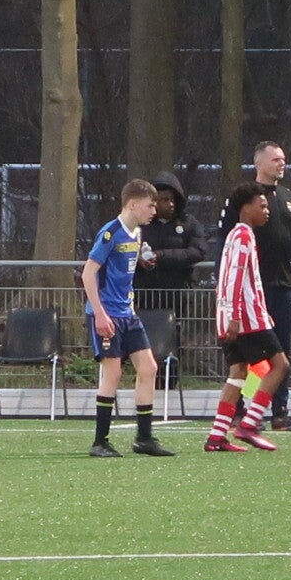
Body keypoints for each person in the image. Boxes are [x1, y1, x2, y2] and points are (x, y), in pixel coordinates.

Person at [217, 141, 291, 431]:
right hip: (249, 292)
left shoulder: (287, 197)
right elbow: (224, 245)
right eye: (275, 159)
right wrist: (221, 283)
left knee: (281, 350)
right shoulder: (243, 199)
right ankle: (243, 412)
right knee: (249, 355)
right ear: (259, 163)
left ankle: (279, 411)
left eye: (283, 159)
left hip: (280, 286)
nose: (281, 163)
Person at [82, 179, 175, 458]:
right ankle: (100, 441)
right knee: (113, 373)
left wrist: (143, 262)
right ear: (133, 205)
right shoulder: (111, 233)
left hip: (127, 312)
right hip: (107, 313)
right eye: (149, 206)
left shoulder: (136, 233)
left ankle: (144, 438)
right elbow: (88, 274)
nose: (154, 211)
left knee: (148, 367)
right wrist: (100, 314)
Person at [207, 182, 289, 453]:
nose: (267, 211)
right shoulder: (244, 235)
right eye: (262, 206)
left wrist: (227, 315)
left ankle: (217, 436)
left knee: (238, 372)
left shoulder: (233, 235)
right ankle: (250, 424)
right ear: (245, 208)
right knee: (280, 365)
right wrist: (236, 315)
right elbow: (236, 277)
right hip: (246, 319)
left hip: (230, 317)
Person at [135, 171, 212, 384]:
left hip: (177, 294)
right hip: (147, 294)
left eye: (171, 199)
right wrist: (139, 259)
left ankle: (170, 382)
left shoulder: (188, 223)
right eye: (163, 200)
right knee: (147, 340)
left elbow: (197, 251)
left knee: (173, 338)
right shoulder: (142, 224)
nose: (169, 204)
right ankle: (147, 382)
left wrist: (161, 256)